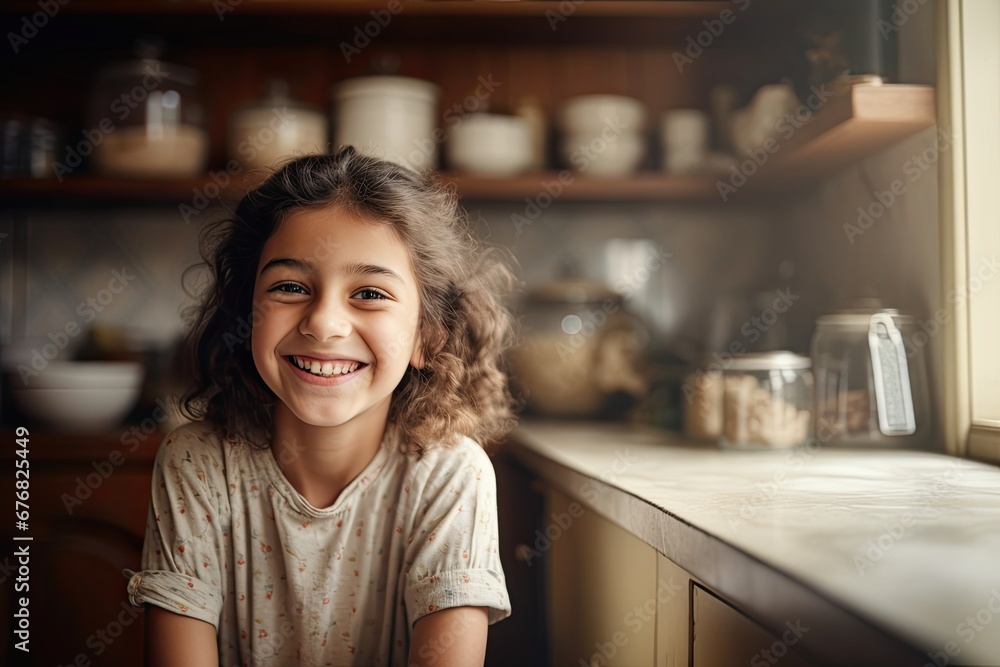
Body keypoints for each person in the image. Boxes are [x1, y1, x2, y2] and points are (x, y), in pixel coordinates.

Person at [124, 147, 517, 666]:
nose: (323, 322)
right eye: (290, 287)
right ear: (246, 318)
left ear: (429, 335)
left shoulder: (452, 477)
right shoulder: (197, 463)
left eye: (370, 293)